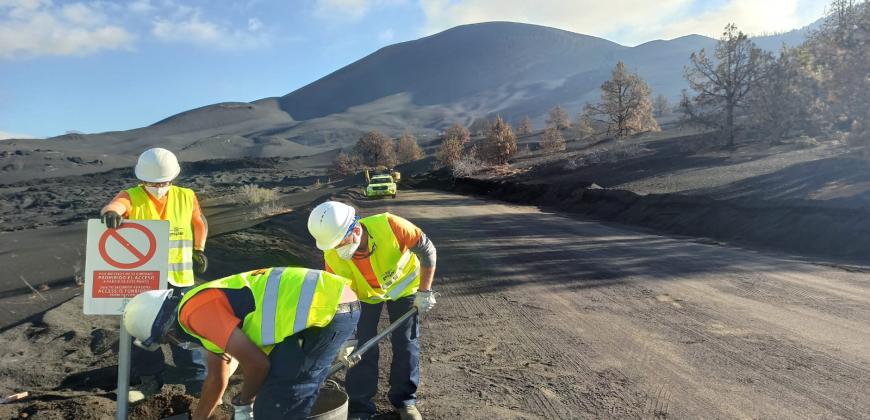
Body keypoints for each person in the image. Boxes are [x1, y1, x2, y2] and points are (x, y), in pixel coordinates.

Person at [123, 267, 360, 420]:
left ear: (165, 327)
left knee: (280, 403)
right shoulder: (198, 316)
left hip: (328, 307)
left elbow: (257, 365)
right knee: (275, 395)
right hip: (323, 306)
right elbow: (217, 378)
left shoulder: (194, 314)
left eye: (165, 339)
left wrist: (245, 399)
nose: (172, 343)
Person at [307, 201, 437, 420]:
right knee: (360, 349)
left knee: (406, 342)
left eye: (340, 243)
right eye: (333, 245)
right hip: (363, 296)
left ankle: (405, 401)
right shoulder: (331, 256)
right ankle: (360, 407)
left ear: (356, 230)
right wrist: (348, 338)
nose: (337, 249)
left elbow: (427, 250)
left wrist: (424, 292)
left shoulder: (391, 225)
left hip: (403, 286)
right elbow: (340, 296)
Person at [100, 147, 209, 393]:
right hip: (145, 279)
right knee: (141, 329)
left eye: (163, 181)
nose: (159, 185)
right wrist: (111, 214)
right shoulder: (131, 195)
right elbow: (115, 206)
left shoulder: (186, 195)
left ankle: (197, 381)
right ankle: (150, 379)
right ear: (142, 179)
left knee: (185, 327)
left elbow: (198, 222)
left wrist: (199, 249)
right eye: (153, 182)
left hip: (179, 278)